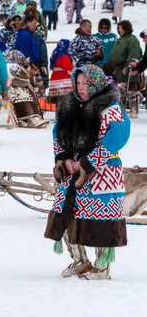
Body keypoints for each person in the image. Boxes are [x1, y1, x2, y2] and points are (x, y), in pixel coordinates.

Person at [44, 64, 130, 280]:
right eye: (78, 83)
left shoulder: (111, 109)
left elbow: (116, 138)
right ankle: (80, 260)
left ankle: (102, 267)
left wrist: (87, 163)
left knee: (100, 220)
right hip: (71, 173)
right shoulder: (69, 106)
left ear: (96, 83)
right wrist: (63, 158)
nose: (80, 88)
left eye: (85, 83)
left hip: (102, 173)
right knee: (66, 215)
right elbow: (58, 134)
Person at [109, 20, 142, 119]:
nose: (119, 30)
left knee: (131, 92)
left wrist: (128, 67)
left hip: (127, 70)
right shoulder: (119, 40)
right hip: (118, 70)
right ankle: (122, 112)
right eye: (118, 28)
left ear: (126, 28)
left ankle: (133, 111)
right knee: (121, 93)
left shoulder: (132, 39)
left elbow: (134, 54)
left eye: (120, 28)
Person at [47, 39, 74, 105]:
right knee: (63, 99)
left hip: (54, 77)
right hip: (63, 79)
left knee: (57, 99)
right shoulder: (64, 54)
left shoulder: (55, 52)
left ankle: (57, 113)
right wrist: (72, 67)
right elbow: (67, 67)